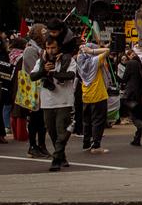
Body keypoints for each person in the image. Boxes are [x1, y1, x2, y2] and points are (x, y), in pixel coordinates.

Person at [29, 35, 77, 171]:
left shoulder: (67, 60)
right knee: (52, 131)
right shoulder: (41, 61)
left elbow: (71, 75)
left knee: (62, 130)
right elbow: (32, 76)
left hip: (64, 101)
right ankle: (62, 156)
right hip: (47, 102)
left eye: (53, 48)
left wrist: (53, 73)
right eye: (48, 48)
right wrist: (44, 70)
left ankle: (56, 158)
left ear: (59, 47)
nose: (50, 50)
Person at [18, 25, 50, 159]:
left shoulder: (41, 49)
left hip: (41, 88)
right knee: (35, 119)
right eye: (42, 33)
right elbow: (33, 70)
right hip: (33, 89)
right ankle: (33, 145)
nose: (45, 34)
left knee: (42, 120)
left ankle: (42, 145)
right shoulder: (31, 50)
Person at [76, 42, 111, 153]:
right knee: (98, 121)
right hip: (98, 94)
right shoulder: (94, 61)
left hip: (86, 94)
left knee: (87, 121)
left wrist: (84, 50)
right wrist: (91, 51)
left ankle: (86, 143)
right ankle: (96, 145)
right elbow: (107, 50)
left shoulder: (80, 61)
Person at [120, 46, 142, 148]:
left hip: (132, 94)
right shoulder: (141, 64)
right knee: (141, 117)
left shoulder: (131, 63)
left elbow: (124, 78)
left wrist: (119, 78)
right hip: (141, 94)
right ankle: (137, 139)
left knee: (134, 117)